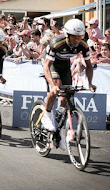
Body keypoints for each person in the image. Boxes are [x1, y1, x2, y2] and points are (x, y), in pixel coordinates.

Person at [42, 19, 96, 150]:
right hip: (51, 63)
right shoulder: (57, 43)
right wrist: (52, 84)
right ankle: (47, 115)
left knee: (65, 97)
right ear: (67, 35)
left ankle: (58, 130)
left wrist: (90, 83)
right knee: (56, 88)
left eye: (80, 36)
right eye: (74, 36)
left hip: (65, 64)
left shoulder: (83, 45)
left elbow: (89, 66)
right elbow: (47, 66)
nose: (77, 39)